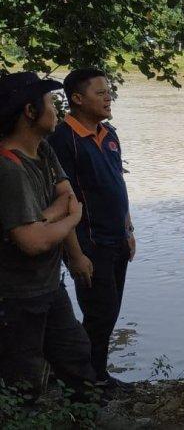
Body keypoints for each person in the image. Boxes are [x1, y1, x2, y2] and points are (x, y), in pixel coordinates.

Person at [0, 71, 96, 397]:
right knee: (24, 378)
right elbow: (33, 241)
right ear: (30, 112)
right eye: (51, 103)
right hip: (17, 295)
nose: (57, 110)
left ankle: (88, 413)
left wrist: (44, 218)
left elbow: (67, 197)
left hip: (50, 284)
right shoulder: (9, 168)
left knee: (76, 353)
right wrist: (71, 219)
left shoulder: (43, 151)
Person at [48, 67, 134, 389]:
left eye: (108, 92)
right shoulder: (62, 140)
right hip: (89, 244)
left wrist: (128, 229)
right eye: (100, 93)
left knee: (109, 313)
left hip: (117, 239)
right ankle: (85, 381)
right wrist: (75, 255)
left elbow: (118, 183)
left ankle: (96, 375)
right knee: (99, 314)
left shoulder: (108, 134)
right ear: (77, 99)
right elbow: (63, 201)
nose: (108, 98)